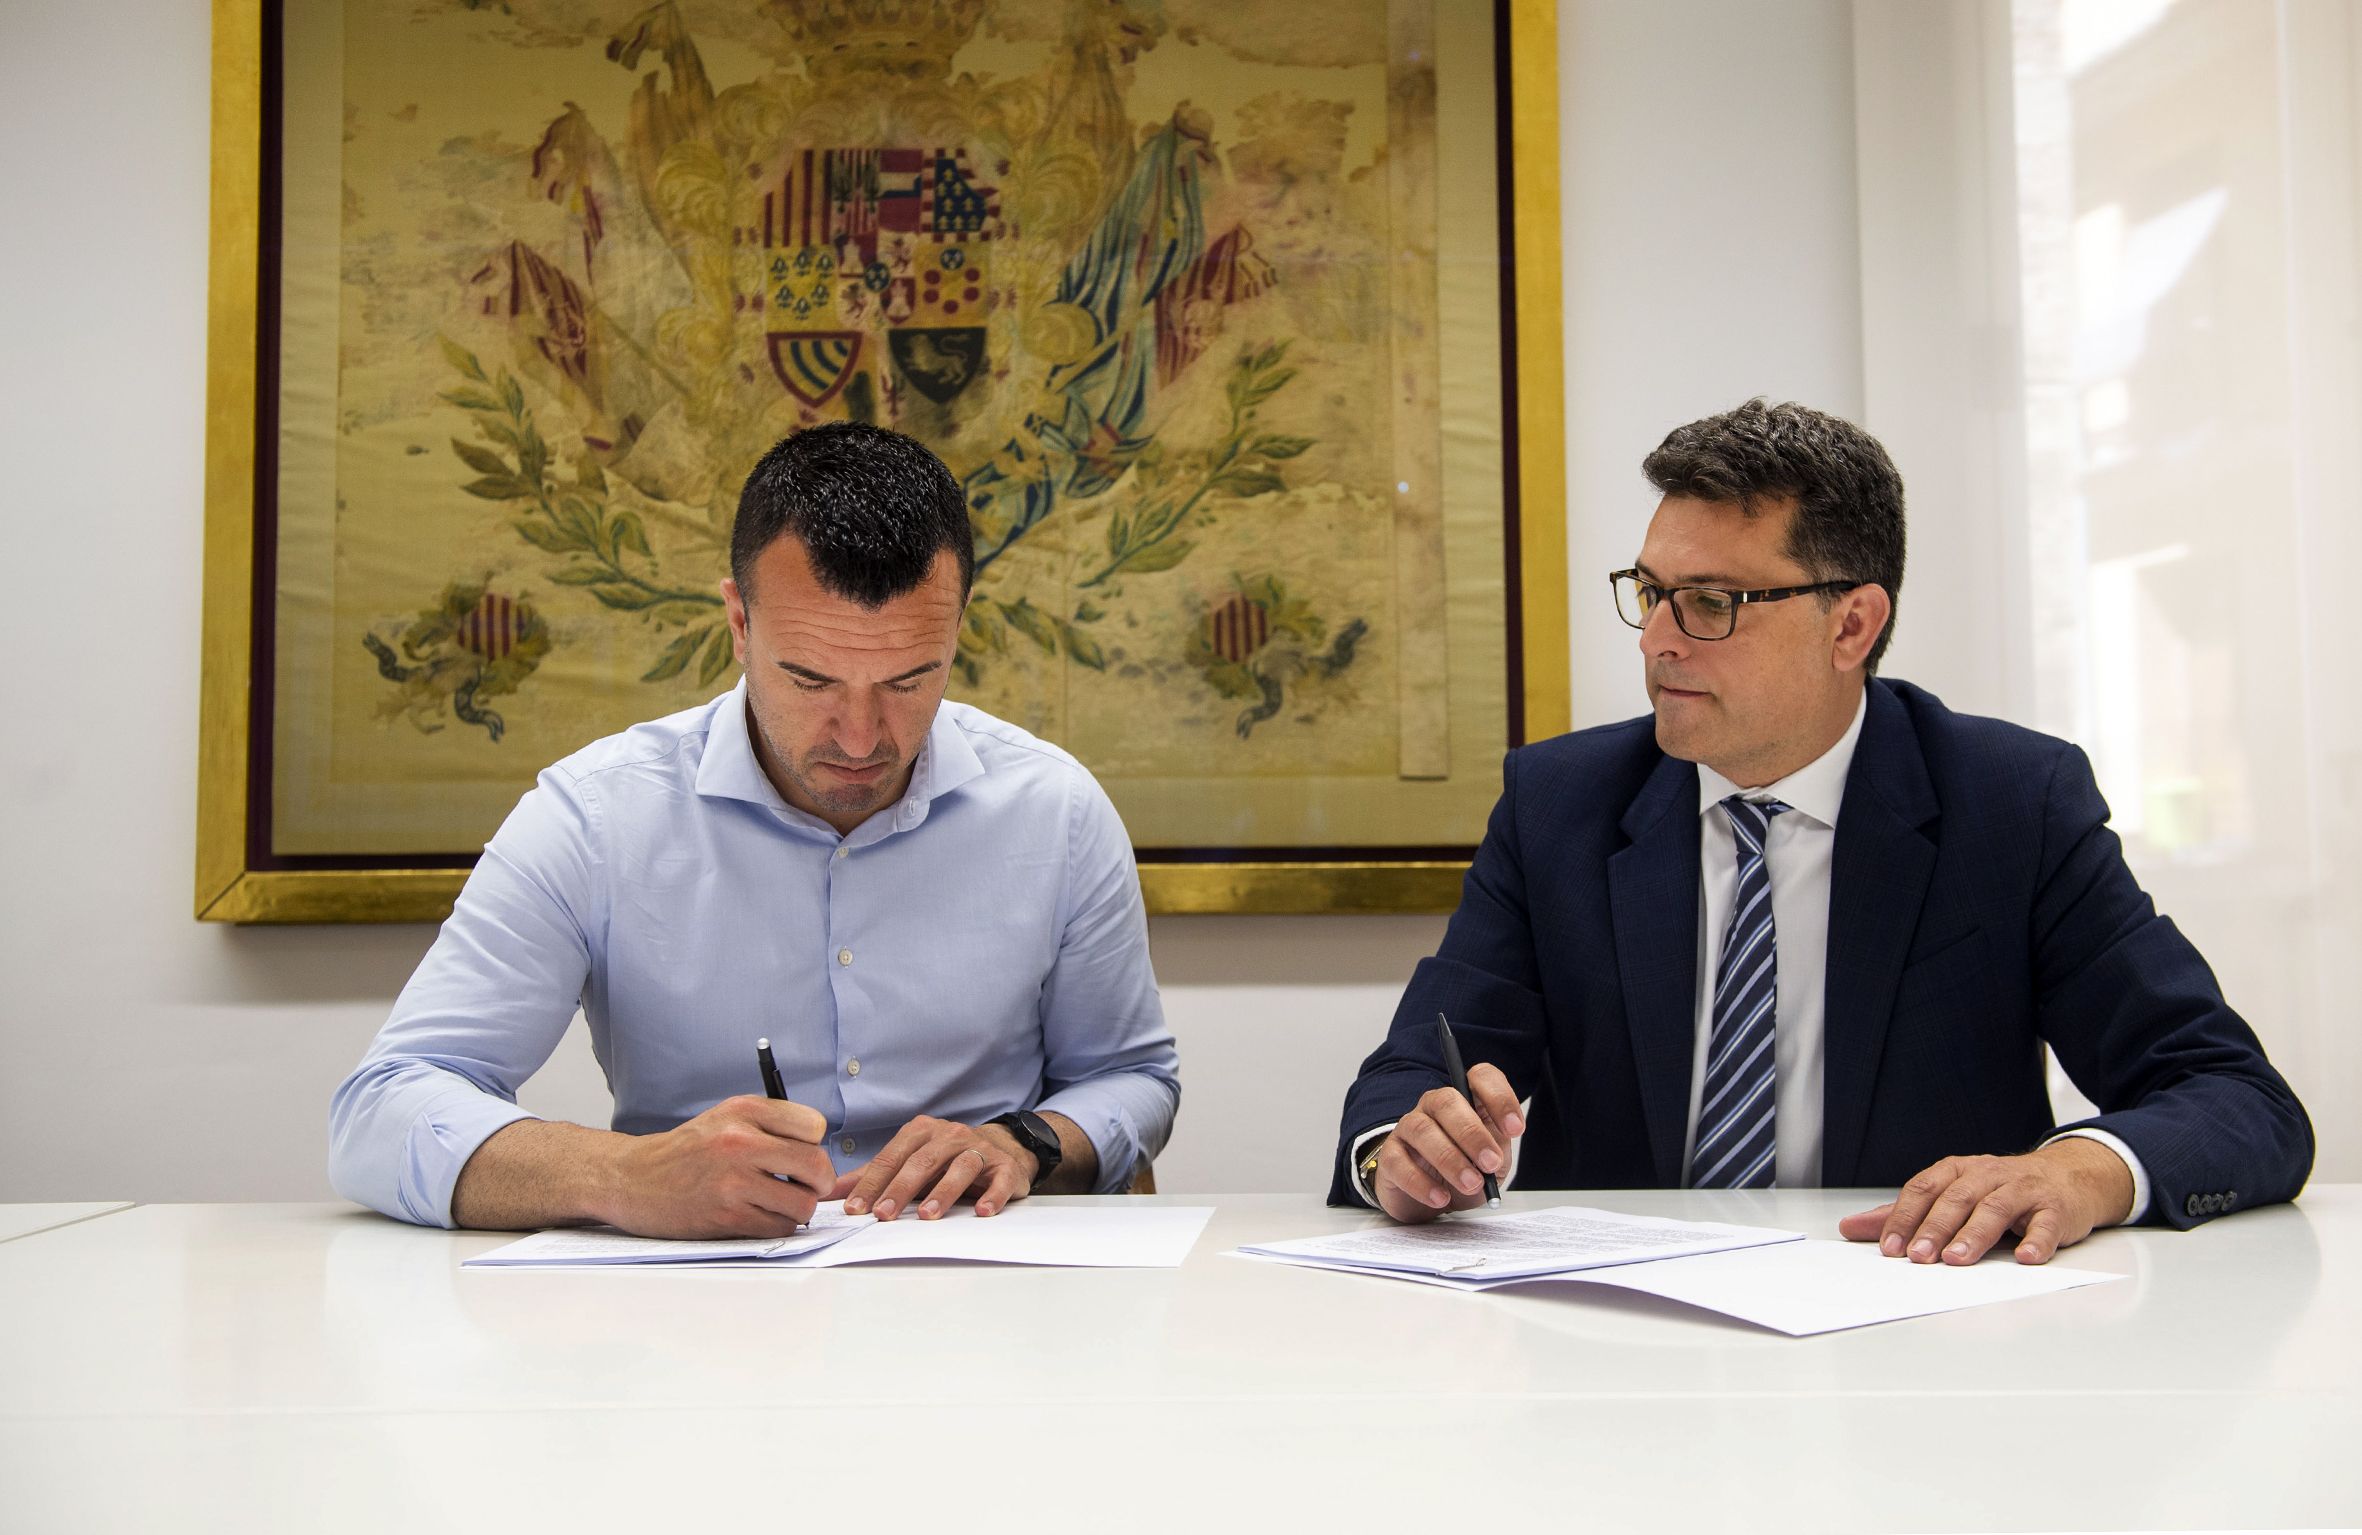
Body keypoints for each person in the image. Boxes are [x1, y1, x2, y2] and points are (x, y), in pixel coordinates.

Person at [1330, 399, 2312, 1264]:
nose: (1657, 639)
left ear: (1851, 625)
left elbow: (2234, 1096)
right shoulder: (1561, 802)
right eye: (1651, 592)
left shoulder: (2013, 804)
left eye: (1710, 602)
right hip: (1619, 1331)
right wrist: (1402, 1156)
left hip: (1917, 1317)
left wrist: (2077, 1172)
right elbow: (1417, 1072)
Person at [332, 422, 1178, 1236]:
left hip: (987, 1284)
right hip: (694, 1302)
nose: (861, 738)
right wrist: (629, 1175)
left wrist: (1023, 1141)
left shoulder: (1055, 811)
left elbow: (1131, 1077)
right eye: (811, 680)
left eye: (908, 680)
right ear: (739, 624)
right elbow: (382, 1110)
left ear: (958, 627)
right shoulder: (596, 817)